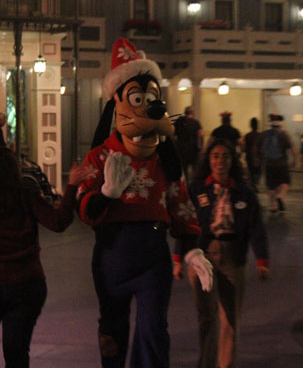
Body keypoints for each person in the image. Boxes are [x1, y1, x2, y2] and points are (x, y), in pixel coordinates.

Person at [78, 38, 212, 368]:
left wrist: (192, 247)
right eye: (138, 98)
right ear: (118, 105)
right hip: (112, 256)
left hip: (153, 257)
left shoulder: (165, 159)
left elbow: (180, 204)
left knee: (154, 332)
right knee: (112, 333)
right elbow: (83, 206)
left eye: (151, 99)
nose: (148, 107)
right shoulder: (100, 157)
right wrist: (106, 193)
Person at [0, 147, 94, 367]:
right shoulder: (25, 194)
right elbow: (58, 221)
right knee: (17, 352)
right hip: (24, 284)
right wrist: (72, 186)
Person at [173, 139, 270, 368]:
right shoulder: (197, 190)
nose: (220, 161)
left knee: (230, 319)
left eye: (225, 156)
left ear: (232, 160)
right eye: (215, 156)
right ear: (208, 160)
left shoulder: (244, 193)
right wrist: (178, 259)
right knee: (207, 317)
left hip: (232, 257)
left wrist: (262, 260)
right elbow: (185, 225)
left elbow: (256, 228)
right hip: (201, 256)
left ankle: (226, 364)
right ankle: (205, 364)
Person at [260, 114, 296, 212]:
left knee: (271, 185)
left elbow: (257, 147)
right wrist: (294, 159)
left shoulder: (264, 134)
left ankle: (272, 205)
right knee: (285, 181)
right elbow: (292, 148)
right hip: (282, 163)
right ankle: (280, 196)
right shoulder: (284, 134)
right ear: (280, 123)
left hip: (269, 164)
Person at [174, 106, 203, 182]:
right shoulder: (196, 122)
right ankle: (194, 185)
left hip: (181, 149)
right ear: (192, 113)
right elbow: (200, 135)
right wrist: (200, 147)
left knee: (184, 170)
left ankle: (185, 185)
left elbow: (173, 133)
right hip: (193, 149)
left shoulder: (179, 122)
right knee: (194, 169)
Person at [243, 117, 263, 191]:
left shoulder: (247, 135)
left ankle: (253, 184)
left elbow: (244, 148)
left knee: (251, 171)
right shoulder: (261, 135)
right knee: (258, 171)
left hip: (249, 157)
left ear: (250, 125)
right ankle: (255, 184)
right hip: (258, 157)